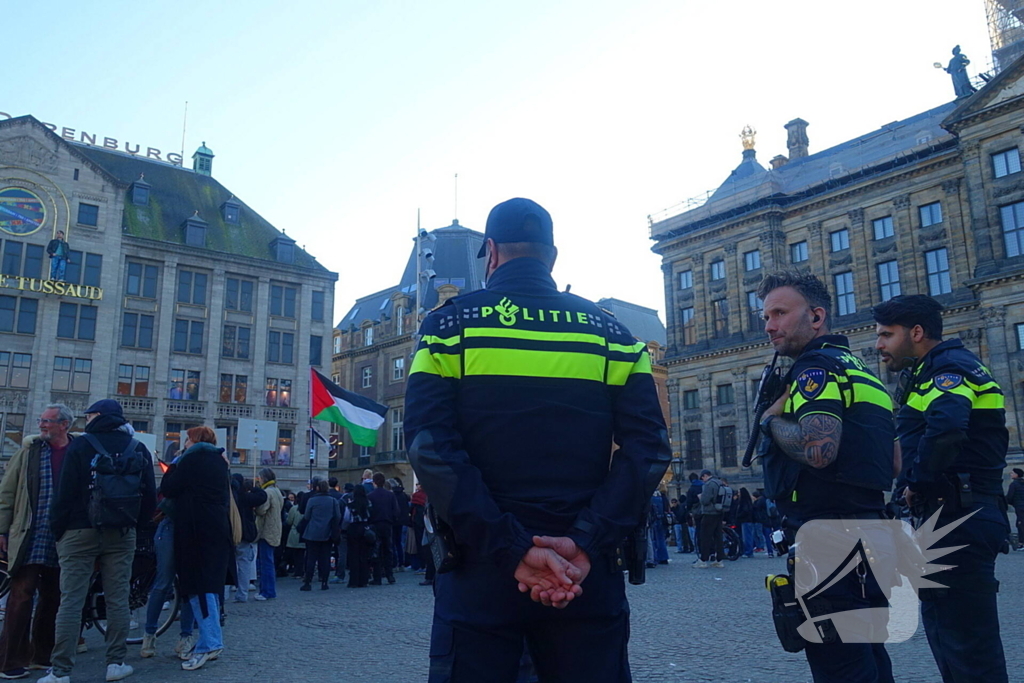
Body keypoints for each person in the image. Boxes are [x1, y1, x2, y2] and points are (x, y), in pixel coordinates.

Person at [404, 197, 671, 681]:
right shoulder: (613, 335)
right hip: (584, 575)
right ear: (552, 256)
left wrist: (511, 547)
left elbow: (430, 448)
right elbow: (648, 450)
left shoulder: (449, 327)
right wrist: (585, 542)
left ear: (491, 252)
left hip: (482, 573)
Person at [758, 272, 895, 683]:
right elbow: (894, 462)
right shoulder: (864, 372)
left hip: (827, 541)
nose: (769, 326)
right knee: (872, 660)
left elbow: (820, 451)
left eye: (780, 313)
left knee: (840, 667)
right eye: (766, 316)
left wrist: (770, 422)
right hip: (873, 533)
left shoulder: (814, 368)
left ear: (816, 317)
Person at [874, 294, 1009, 682]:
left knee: (967, 649)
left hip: (958, 516)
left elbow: (948, 428)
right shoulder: (939, 368)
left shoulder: (948, 368)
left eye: (886, 334)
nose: (879, 344)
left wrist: (916, 482)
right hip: (955, 513)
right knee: (953, 640)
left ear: (916, 333)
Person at [44, 399, 156, 683]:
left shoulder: (81, 445)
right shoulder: (137, 448)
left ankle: (60, 671)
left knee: (71, 601)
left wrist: (58, 531)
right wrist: (137, 528)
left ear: (97, 416)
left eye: (89, 415)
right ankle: (115, 663)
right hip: (121, 533)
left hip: (78, 530)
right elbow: (149, 498)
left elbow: (64, 493)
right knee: (118, 599)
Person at [0, 404, 74, 679]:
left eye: (48, 421)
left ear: (64, 425)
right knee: (21, 595)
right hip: (29, 534)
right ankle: (9, 661)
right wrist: (2, 530)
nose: (41, 424)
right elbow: (7, 492)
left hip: (64, 536)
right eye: (41, 420)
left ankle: (41, 655)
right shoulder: (29, 452)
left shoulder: (77, 452)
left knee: (54, 596)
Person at [158, 427, 230, 671]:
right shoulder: (219, 461)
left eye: (187, 439)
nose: (185, 443)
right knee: (207, 584)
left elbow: (168, 487)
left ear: (195, 440)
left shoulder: (192, 460)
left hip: (196, 529)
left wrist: (174, 463)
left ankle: (210, 643)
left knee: (200, 585)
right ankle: (210, 639)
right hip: (214, 527)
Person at [140, 460, 196, 661]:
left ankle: (185, 636)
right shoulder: (180, 466)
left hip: (188, 527)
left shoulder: (198, 465)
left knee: (186, 585)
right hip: (173, 525)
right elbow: (168, 489)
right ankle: (150, 634)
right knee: (164, 583)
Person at [229, 475, 266, 602]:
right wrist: (253, 487)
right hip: (244, 534)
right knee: (244, 563)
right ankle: (242, 593)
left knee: (227, 564)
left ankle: (223, 594)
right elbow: (262, 496)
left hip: (228, 534)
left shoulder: (228, 496)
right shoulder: (245, 497)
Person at [299, 478, 340, 591]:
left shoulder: (312, 500)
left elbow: (306, 516)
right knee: (325, 558)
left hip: (312, 532)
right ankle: (324, 582)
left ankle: (308, 582)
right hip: (327, 533)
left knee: (311, 558)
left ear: (317, 488)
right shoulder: (333, 501)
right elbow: (337, 516)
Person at [253, 468, 283, 601]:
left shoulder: (268, 492)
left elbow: (262, 510)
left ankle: (267, 591)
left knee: (266, 562)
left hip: (266, 530)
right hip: (275, 529)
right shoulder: (277, 490)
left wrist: (255, 508)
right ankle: (268, 590)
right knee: (268, 561)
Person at [367, 472, 399, 585]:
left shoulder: (370, 496)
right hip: (387, 524)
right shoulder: (390, 495)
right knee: (387, 550)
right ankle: (389, 575)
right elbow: (396, 511)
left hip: (375, 524)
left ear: (374, 482)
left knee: (376, 550)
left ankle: (377, 577)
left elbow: (368, 512)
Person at [344, 485, 373, 588]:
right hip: (365, 528)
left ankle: (354, 580)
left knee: (353, 555)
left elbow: (346, 518)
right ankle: (364, 579)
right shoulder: (368, 503)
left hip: (353, 529)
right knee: (364, 554)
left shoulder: (351, 504)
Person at [695, 470, 724, 568]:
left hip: (709, 512)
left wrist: (700, 497)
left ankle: (703, 560)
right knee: (718, 537)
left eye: (702, 478)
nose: (702, 480)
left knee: (705, 537)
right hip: (719, 511)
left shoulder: (709, 484)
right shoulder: (719, 482)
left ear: (705, 475)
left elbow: (705, 500)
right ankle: (719, 560)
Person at [736, 488, 756, 558]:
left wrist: (738, 515)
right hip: (747, 521)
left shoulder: (744, 502)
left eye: (739, 493)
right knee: (748, 536)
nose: (738, 494)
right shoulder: (748, 501)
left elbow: (745, 511)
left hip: (745, 521)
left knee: (747, 537)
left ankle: (748, 552)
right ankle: (748, 551)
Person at [1008, 468, 1024, 551]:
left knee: (1020, 524)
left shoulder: (1014, 484)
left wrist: (1010, 503)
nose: (1010, 474)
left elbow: (1010, 496)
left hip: (1019, 506)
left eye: (1012, 473)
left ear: (1016, 475)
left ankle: (1021, 543)